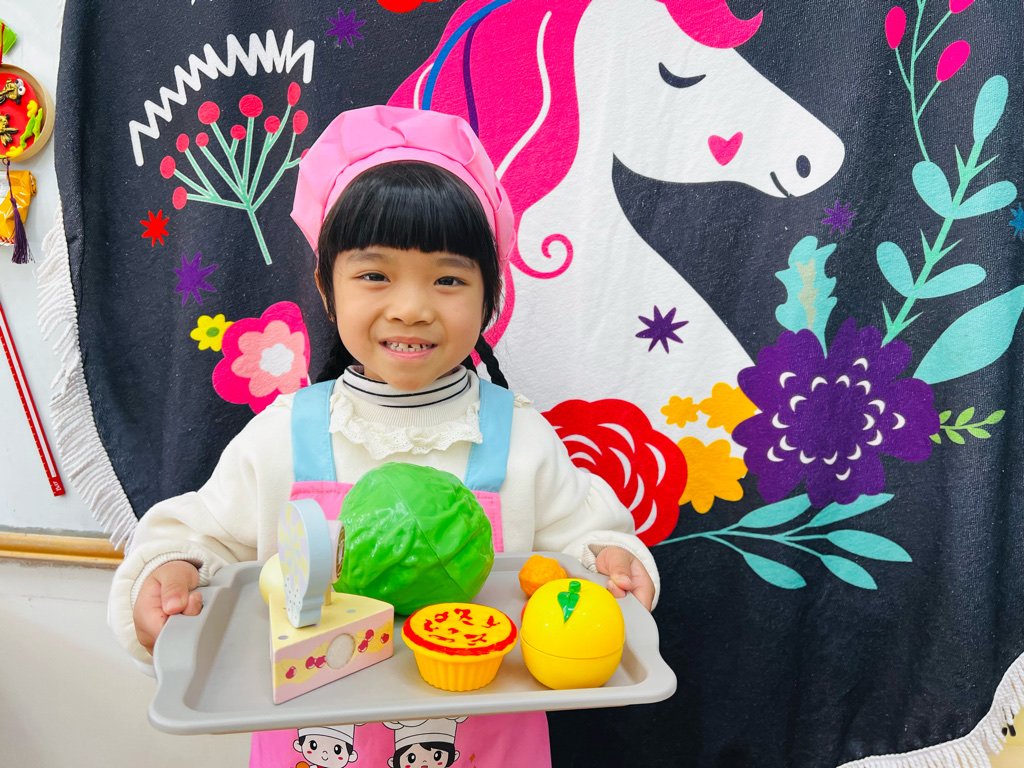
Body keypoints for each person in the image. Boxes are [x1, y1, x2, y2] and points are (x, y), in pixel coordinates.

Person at [108, 105, 660, 767]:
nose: (412, 308)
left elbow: (586, 549)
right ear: (326, 286)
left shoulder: (522, 437)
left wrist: (612, 563)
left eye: (449, 279)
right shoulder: (282, 436)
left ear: (490, 295)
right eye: (375, 275)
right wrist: (170, 574)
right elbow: (202, 541)